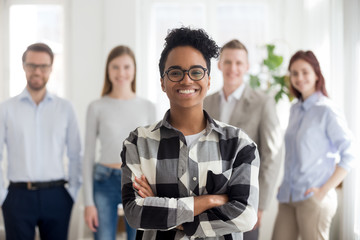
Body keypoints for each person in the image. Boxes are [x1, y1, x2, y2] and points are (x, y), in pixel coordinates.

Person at [120, 27, 260, 240]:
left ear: (209, 80)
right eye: (175, 72)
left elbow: (245, 216)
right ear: (162, 82)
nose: (186, 80)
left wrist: (163, 208)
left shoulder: (240, 144)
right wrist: (209, 201)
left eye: (196, 72)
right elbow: (135, 213)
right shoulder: (138, 142)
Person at [0, 43, 82, 239]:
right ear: (23, 66)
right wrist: (3, 197)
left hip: (57, 196)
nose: (37, 71)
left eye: (43, 66)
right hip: (17, 197)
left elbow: (75, 154)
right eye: (32, 65)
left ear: (51, 68)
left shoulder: (65, 108)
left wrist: (72, 194)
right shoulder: (6, 108)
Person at [272, 50, 356, 240]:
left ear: (317, 74)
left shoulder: (327, 110)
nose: (299, 78)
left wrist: (324, 191)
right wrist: (286, 184)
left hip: (313, 197)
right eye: (294, 73)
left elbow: (350, 153)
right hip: (288, 196)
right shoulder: (294, 109)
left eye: (305, 72)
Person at [204, 39, 282, 240]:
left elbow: (272, 156)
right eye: (228, 62)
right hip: (208, 199)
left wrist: (261, 204)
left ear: (247, 67)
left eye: (239, 63)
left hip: (247, 199)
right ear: (219, 65)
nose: (233, 68)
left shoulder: (263, 103)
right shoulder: (205, 102)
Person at [83, 45, 156, 240]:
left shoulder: (148, 107)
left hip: (138, 183)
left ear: (134, 70)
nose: (121, 72)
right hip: (103, 180)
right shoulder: (96, 107)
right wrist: (88, 203)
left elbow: (153, 155)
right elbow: (88, 155)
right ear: (108, 70)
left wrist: (154, 195)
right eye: (115, 67)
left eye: (126, 67)